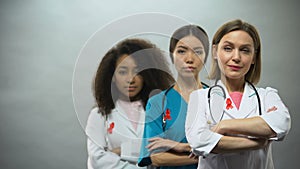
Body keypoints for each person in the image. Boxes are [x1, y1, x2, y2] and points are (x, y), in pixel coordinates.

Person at [185, 19, 291, 169]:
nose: (236, 57)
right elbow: (198, 142)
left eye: (245, 50)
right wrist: (255, 143)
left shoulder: (267, 96)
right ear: (215, 52)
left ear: (254, 57)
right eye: (228, 48)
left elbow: (282, 124)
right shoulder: (199, 98)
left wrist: (223, 126)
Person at [85, 38, 174, 169]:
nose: (130, 79)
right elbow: (97, 160)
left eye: (137, 71)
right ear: (112, 77)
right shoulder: (98, 115)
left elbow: (168, 148)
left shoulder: (160, 110)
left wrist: (123, 150)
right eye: (122, 72)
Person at [138, 25, 210, 169]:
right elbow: (155, 157)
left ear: (205, 56)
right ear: (172, 55)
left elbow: (230, 148)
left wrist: (178, 146)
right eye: (182, 51)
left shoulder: (216, 99)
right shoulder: (158, 102)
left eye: (197, 52)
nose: (189, 59)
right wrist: (204, 155)